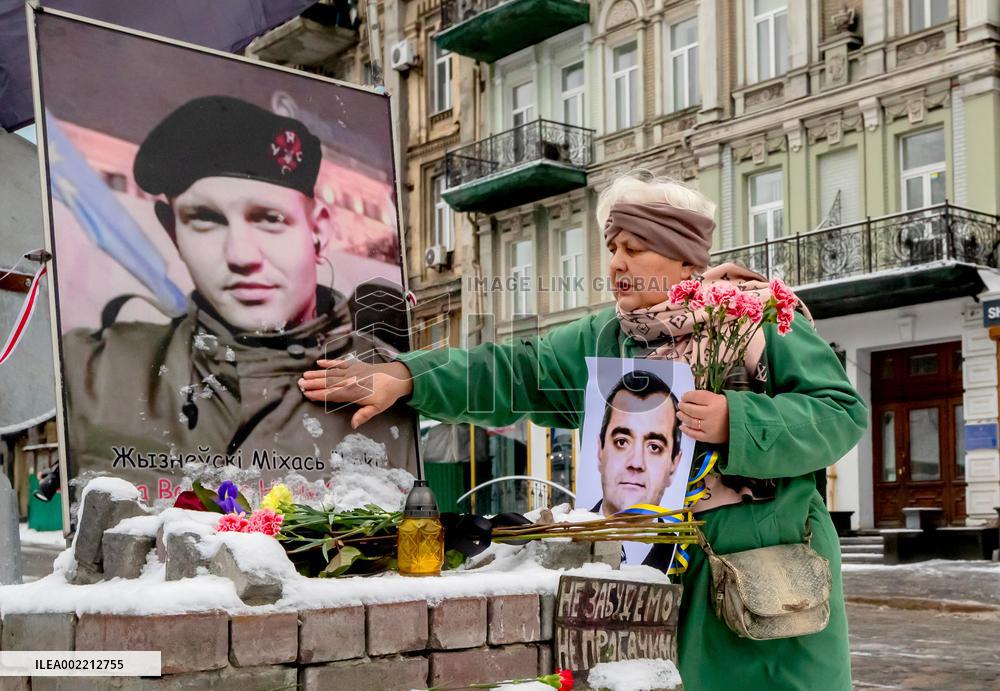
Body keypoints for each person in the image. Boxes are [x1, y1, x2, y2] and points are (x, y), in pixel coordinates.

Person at [299, 173, 867, 690]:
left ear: (686, 261)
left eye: (635, 247)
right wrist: (406, 377)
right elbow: (513, 372)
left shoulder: (755, 319)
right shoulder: (606, 337)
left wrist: (734, 421)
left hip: (762, 583)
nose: (617, 262)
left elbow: (840, 413)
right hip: (650, 577)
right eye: (612, 248)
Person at [61, 95, 418, 500]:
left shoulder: (389, 380)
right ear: (172, 231)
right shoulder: (93, 372)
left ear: (317, 231)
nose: (241, 256)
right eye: (206, 220)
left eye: (269, 219)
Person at [596, 370, 683, 516]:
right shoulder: (564, 531)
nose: (636, 463)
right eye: (622, 442)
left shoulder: (689, 538)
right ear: (600, 450)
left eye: (654, 447)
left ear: (674, 464)